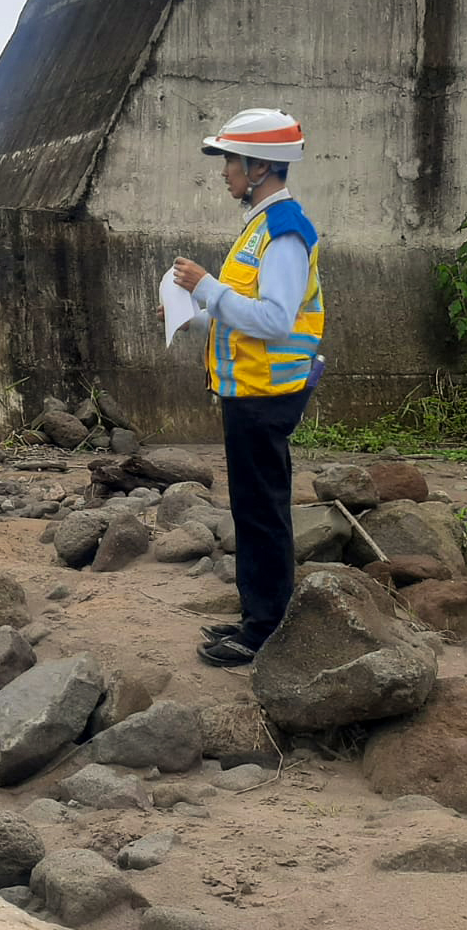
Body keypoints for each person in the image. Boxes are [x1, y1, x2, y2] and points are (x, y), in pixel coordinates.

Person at [165, 109, 324, 668]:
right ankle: (259, 615)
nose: (224, 170)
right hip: (250, 391)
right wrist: (198, 313)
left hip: (266, 395)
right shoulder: (260, 227)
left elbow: (277, 319)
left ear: (259, 166)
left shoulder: (282, 232)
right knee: (255, 507)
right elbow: (245, 314)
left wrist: (207, 286)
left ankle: (266, 630)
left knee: (262, 511)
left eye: (230, 159)